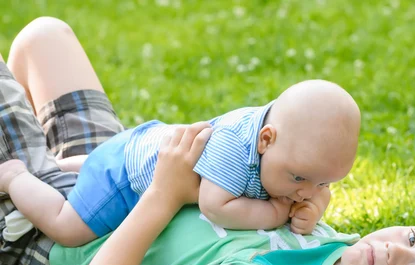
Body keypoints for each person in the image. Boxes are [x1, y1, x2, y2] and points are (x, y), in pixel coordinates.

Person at [0, 17, 415, 265]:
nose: (395, 252)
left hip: (49, 238)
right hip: (113, 181)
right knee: (45, 37)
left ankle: (30, 166)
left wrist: (164, 194)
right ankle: (53, 156)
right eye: (413, 238)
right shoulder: (327, 240)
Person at [0, 56, 360, 248]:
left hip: (145, 145)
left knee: (98, 158)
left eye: (324, 182)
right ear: (265, 140)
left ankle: (70, 164)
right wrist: (272, 213)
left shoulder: (295, 155)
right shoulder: (235, 147)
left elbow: (314, 189)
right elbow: (215, 206)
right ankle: (16, 177)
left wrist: (315, 206)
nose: (306, 192)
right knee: (67, 227)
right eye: (300, 180)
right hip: (125, 177)